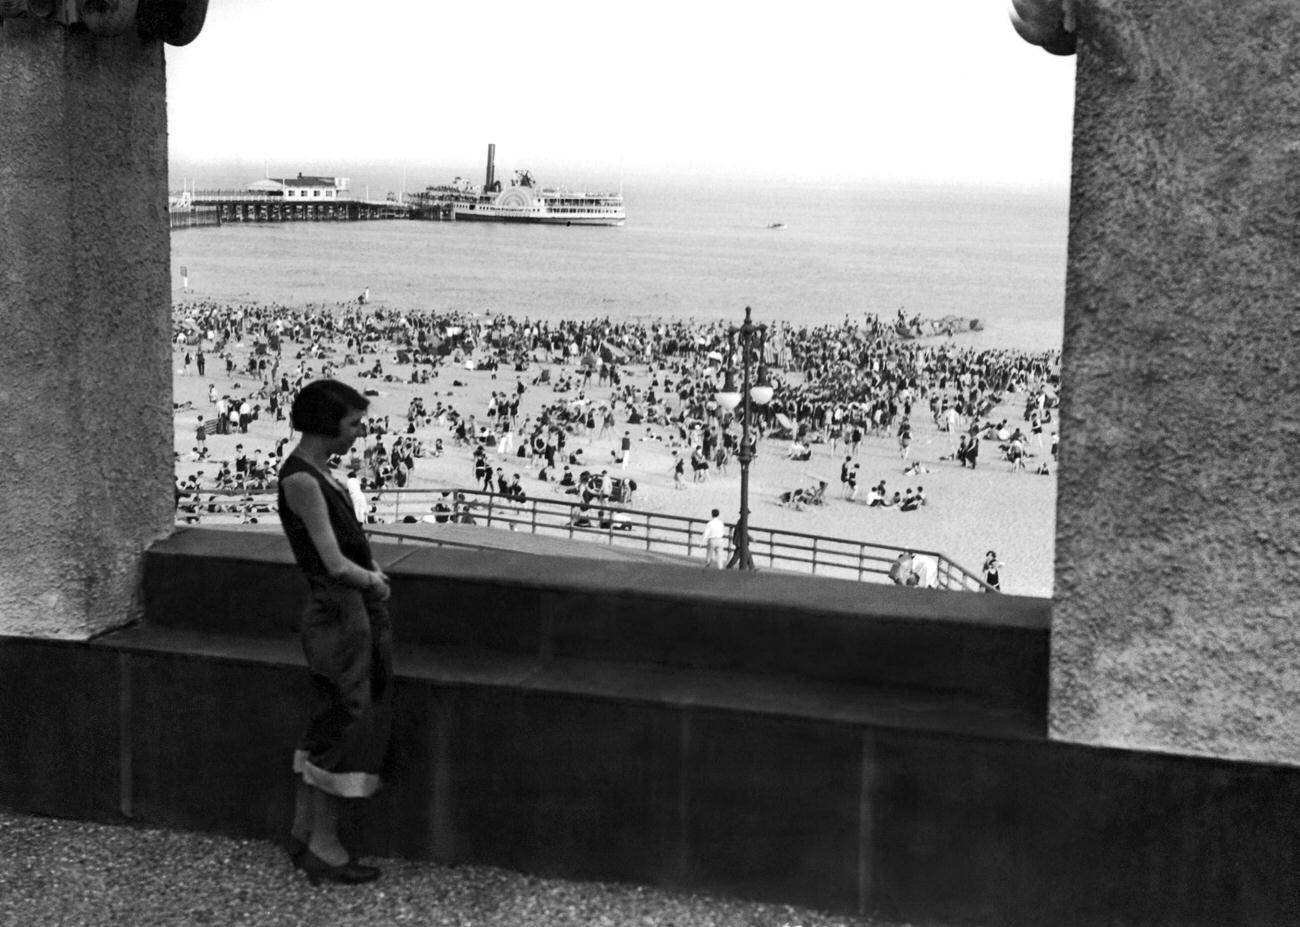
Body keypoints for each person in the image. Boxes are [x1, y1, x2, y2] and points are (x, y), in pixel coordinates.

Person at [276, 379, 392, 886]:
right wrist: (375, 581)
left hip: (338, 612)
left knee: (328, 715)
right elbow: (333, 562)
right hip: (339, 612)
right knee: (345, 721)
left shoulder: (313, 472)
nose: (360, 432)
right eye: (353, 424)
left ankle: (303, 832)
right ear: (327, 426)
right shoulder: (303, 480)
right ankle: (325, 847)